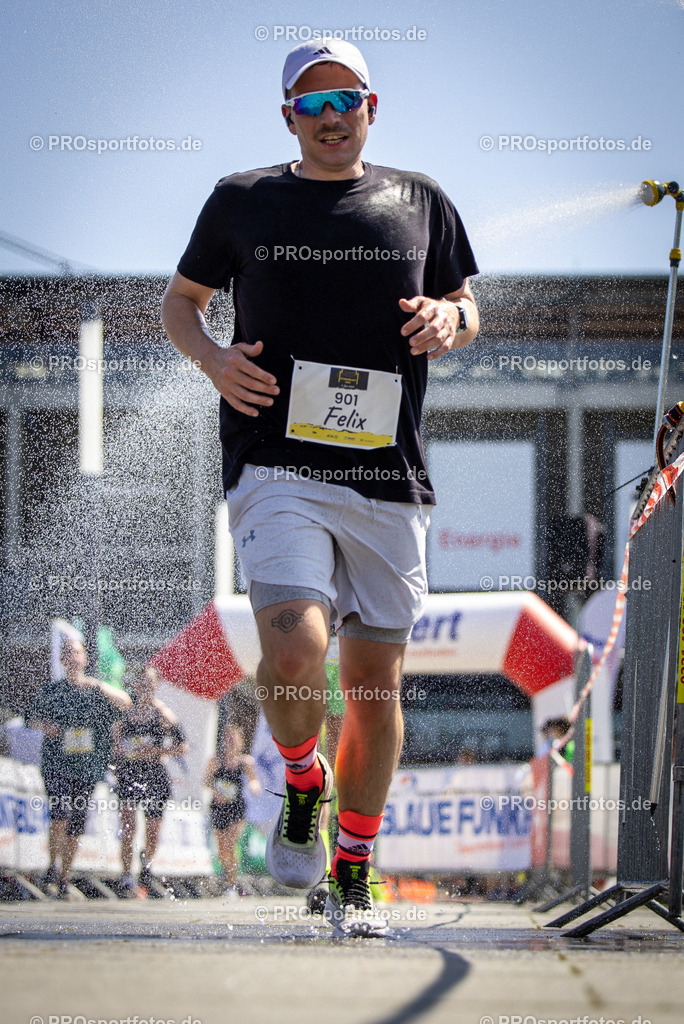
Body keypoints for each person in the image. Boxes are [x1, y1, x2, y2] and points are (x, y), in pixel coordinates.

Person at [161, 37, 479, 936]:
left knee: (374, 682)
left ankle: (353, 871)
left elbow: (467, 306)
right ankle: (303, 778)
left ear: (372, 108)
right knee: (297, 648)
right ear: (288, 117)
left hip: (387, 472)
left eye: (346, 100)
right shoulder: (242, 198)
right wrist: (214, 359)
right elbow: (180, 304)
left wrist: (450, 318)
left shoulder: (422, 200)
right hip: (277, 458)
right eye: (312, 103)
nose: (331, 116)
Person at [27, 637, 131, 898]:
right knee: (60, 814)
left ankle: (65, 877)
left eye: (78, 652)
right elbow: (30, 717)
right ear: (62, 660)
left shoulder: (96, 691)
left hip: (86, 768)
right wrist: (45, 726)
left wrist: (98, 685)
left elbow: (126, 703)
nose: (73, 657)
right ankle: (51, 868)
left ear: (85, 658)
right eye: (69, 653)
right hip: (57, 765)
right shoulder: (53, 691)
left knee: (76, 824)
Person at [112, 665, 188, 896]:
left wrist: (155, 750)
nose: (145, 686)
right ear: (136, 685)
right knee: (128, 826)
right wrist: (119, 749)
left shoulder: (163, 714)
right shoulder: (126, 713)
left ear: (156, 686)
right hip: (129, 772)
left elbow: (183, 747)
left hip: (154, 774)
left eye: (150, 682)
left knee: (153, 830)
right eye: (142, 682)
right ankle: (126, 875)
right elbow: (115, 743)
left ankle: (146, 864)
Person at [204, 723, 261, 896]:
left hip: (236, 808)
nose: (230, 742)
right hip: (219, 807)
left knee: (230, 843)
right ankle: (229, 877)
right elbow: (206, 781)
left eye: (233, 738)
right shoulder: (216, 760)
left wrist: (254, 786)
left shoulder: (246, 762)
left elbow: (254, 780)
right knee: (222, 851)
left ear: (240, 741)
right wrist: (217, 792)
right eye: (227, 738)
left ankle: (231, 884)